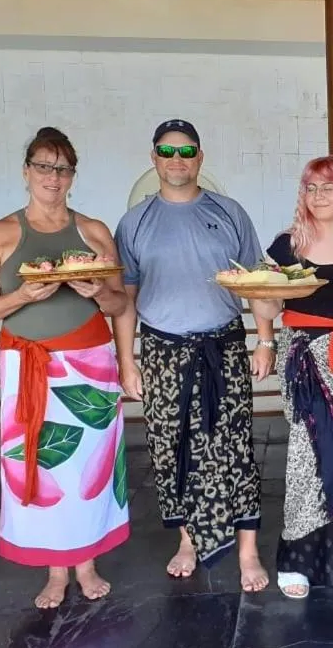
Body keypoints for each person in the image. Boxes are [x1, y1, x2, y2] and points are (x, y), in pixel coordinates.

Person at [0, 126, 129, 609]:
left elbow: (119, 304)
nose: (53, 178)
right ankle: (55, 571)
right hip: (27, 363)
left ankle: (87, 563)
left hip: (89, 363)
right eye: (43, 166)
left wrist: (97, 291)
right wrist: (20, 295)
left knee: (85, 468)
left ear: (72, 176)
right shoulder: (0, 234)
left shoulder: (93, 231)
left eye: (62, 169)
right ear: (26, 171)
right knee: (38, 465)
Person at [113, 119, 279, 592]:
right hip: (162, 349)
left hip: (222, 345)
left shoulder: (228, 212)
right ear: (154, 158)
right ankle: (188, 539)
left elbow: (257, 280)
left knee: (235, 448)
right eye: (167, 151)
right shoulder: (135, 221)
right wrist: (128, 361)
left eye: (187, 152)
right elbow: (126, 297)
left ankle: (247, 550)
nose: (177, 160)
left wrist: (263, 340)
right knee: (172, 450)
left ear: (200, 158)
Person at [251, 156, 333, 600]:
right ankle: (297, 557)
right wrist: (264, 335)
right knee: (309, 451)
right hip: (304, 357)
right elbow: (264, 299)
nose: (318, 196)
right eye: (311, 187)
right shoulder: (288, 244)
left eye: (328, 187)